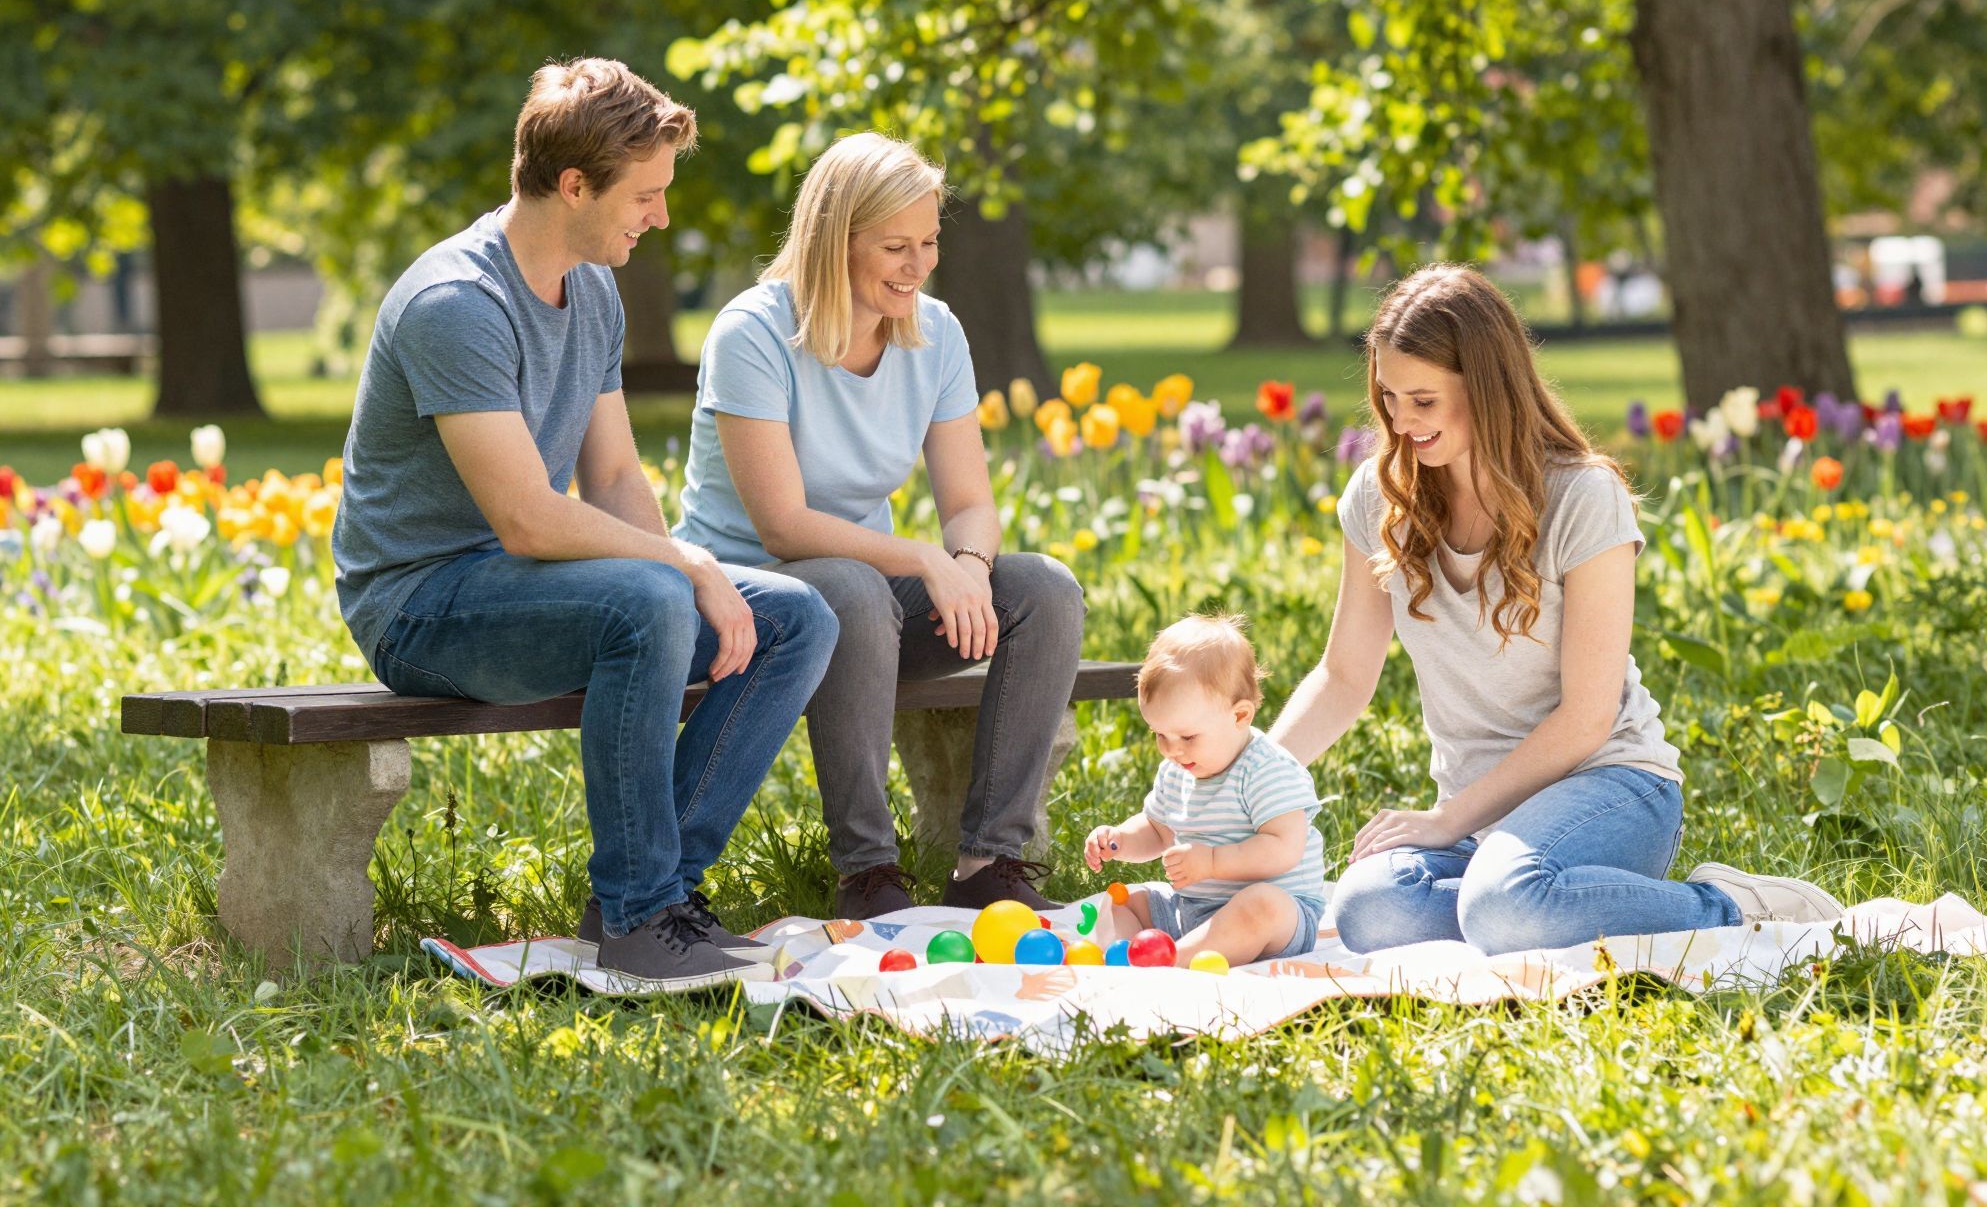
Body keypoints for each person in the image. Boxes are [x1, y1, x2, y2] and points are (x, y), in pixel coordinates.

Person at [333, 58, 837, 990]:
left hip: (533, 586)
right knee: (647, 600)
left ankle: (651, 899)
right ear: (574, 185)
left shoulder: (592, 285)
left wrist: (688, 575)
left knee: (798, 616)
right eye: (645, 195)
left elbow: (609, 478)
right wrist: (683, 565)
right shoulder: (458, 303)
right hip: (423, 604)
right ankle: (642, 911)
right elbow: (527, 519)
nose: (661, 216)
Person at [1267, 264, 1845, 956]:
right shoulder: (1380, 498)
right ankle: (1532, 899)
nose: (1399, 422)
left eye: (1423, 401)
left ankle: (1730, 905)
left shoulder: (1582, 497)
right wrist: (1245, 781)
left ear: (1485, 389)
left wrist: (1447, 821)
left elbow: (1586, 719)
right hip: (1481, 820)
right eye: (1388, 398)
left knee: (1505, 909)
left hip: (1608, 786)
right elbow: (1342, 677)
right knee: (1368, 910)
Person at [675, 132, 1085, 917]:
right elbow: (785, 527)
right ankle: (868, 872)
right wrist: (923, 559)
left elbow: (970, 501)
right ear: (835, 241)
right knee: (852, 589)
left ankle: (989, 860)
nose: (919, 264)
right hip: (750, 606)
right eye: (895, 246)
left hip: (867, 598)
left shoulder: (934, 333)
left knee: (1044, 589)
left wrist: (964, 561)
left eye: (928, 241)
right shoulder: (753, 333)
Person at [1084, 615, 1326, 966]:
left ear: (1240, 716)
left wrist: (1212, 862)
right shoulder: (1178, 769)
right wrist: (1118, 839)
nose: (1172, 749)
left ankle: (1171, 962)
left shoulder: (1266, 769)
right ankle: (1131, 957)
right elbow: (1156, 830)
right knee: (1122, 901)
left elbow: (1283, 849)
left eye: (1187, 737)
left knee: (1261, 904)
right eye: (1160, 735)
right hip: (1192, 908)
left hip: (1278, 919)